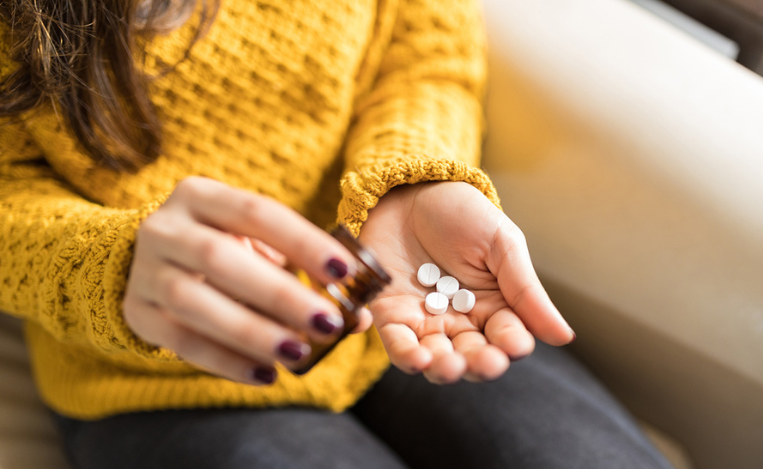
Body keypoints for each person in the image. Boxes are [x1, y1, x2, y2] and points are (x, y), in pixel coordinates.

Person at [0, 0, 674, 467]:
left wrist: (408, 179)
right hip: (158, 378)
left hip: (403, 307)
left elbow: (421, 48)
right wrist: (113, 268)